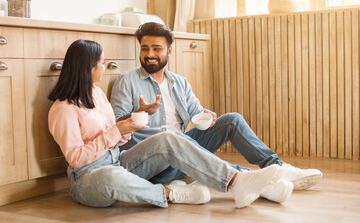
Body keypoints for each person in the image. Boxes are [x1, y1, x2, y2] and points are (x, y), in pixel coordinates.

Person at [47, 39, 285, 209]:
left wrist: (131, 123)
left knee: (168, 138)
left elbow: (117, 138)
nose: (104, 67)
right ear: (86, 67)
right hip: (88, 177)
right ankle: (170, 193)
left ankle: (236, 181)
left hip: (119, 160)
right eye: (101, 62)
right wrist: (116, 131)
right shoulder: (62, 109)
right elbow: (76, 158)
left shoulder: (96, 94)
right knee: (110, 178)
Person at [110, 22, 323, 201]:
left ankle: (276, 166)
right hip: (154, 163)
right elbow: (115, 129)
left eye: (156, 48)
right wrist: (137, 114)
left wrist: (207, 116)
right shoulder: (126, 82)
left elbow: (197, 112)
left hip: (185, 152)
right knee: (173, 139)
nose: (150, 55)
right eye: (144, 49)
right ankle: (255, 178)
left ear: (170, 50)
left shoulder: (179, 83)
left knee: (231, 120)